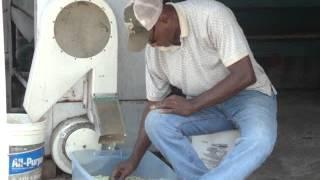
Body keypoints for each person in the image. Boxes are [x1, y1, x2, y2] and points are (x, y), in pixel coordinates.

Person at [113, 0, 278, 179]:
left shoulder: (212, 15)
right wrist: (134, 160)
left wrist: (193, 104)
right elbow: (153, 104)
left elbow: (245, 75)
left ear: (164, 18)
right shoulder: (154, 51)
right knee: (155, 121)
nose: (151, 45)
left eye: (150, 38)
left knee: (260, 139)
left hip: (248, 97)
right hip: (206, 106)